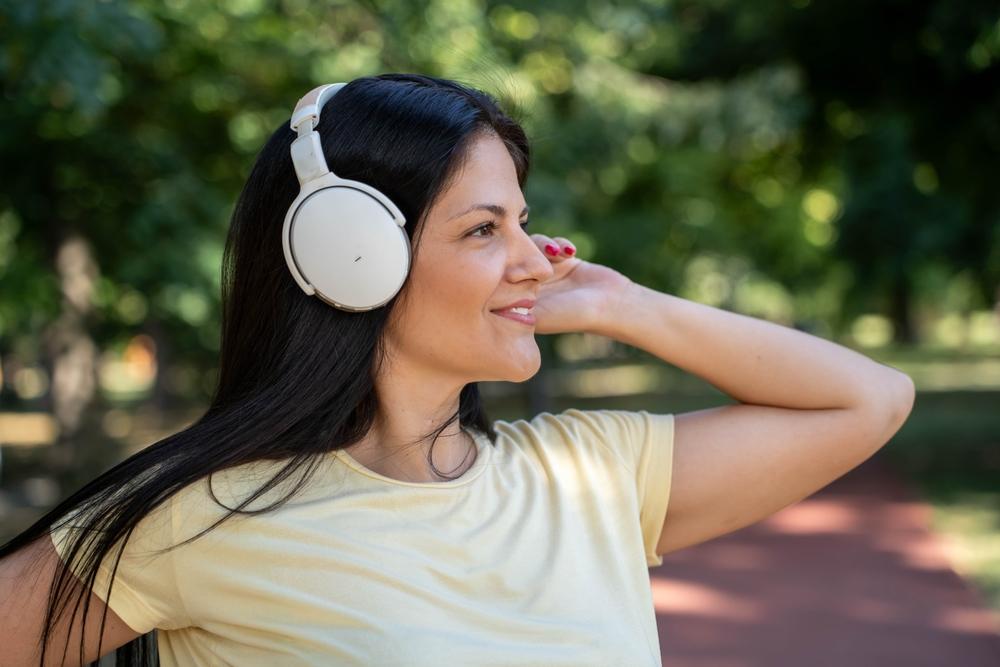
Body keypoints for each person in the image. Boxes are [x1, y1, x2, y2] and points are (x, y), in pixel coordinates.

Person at [0, 73, 915, 667]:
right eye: (484, 229)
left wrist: (623, 302)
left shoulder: (591, 473)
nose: (535, 258)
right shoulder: (201, 514)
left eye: (523, 221)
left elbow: (871, 398)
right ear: (353, 256)